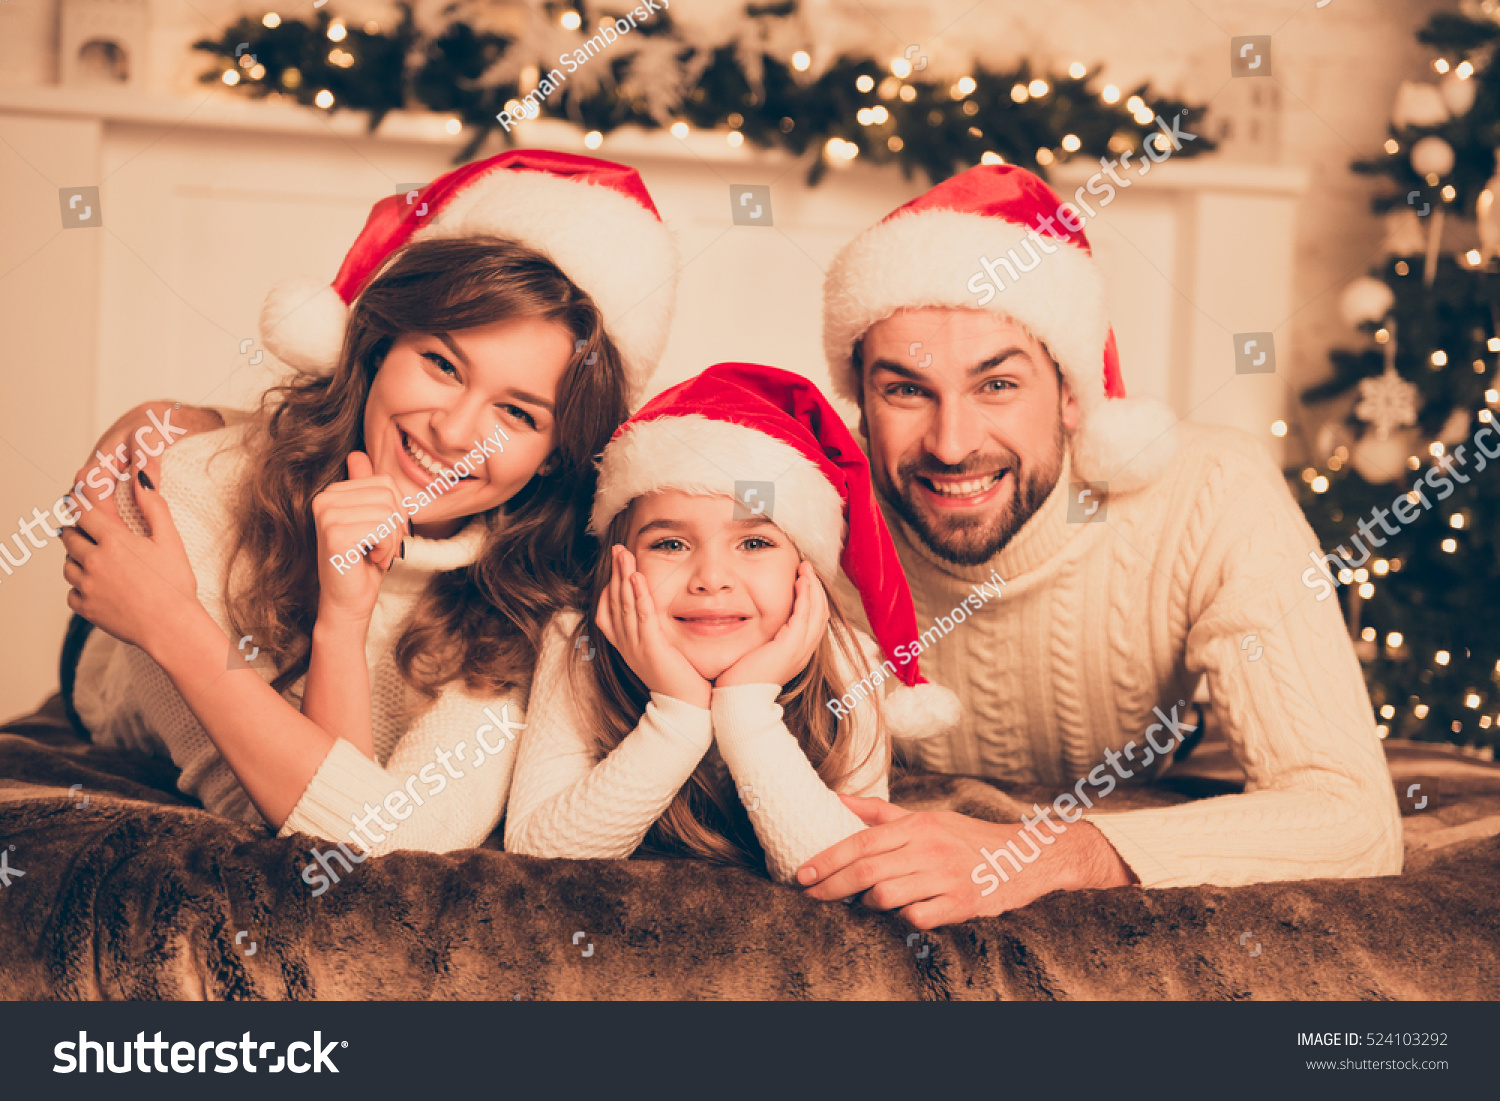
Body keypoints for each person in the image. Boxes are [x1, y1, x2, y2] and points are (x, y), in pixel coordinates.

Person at [797, 163, 1403, 928]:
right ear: (860, 399)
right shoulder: (810, 515)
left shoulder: (1210, 491)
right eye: (907, 390)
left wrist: (1047, 854)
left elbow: (1354, 816)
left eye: (997, 385)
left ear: (1074, 392)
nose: (951, 445)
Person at [64, 150, 680, 857]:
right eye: (442, 364)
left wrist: (179, 619)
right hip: (108, 674)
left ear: (555, 458)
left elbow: (369, 847)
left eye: (517, 414)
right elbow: (260, 805)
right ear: (378, 347)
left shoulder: (535, 609)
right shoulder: (185, 492)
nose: (454, 433)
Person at [504, 363, 958, 881]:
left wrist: (746, 706)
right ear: (618, 560)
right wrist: (676, 715)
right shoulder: (577, 645)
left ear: (803, 571)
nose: (712, 578)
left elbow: (844, 870)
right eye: (670, 544)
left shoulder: (845, 662)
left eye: (755, 543)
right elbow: (538, 860)